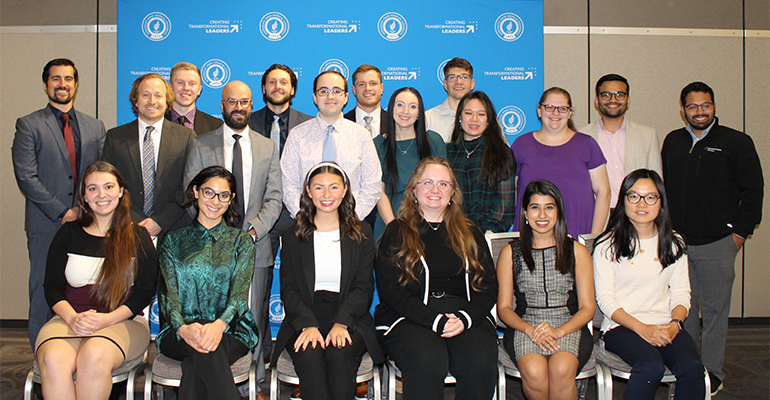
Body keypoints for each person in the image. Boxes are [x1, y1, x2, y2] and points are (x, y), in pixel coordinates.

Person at [661, 82, 764, 394]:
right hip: (679, 245)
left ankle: (713, 372)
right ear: (683, 109)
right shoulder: (673, 141)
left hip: (718, 243)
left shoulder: (736, 142)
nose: (700, 112)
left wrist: (738, 235)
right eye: (693, 106)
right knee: (684, 310)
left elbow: (754, 191)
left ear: (714, 106)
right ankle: (690, 367)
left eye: (705, 105)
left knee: (716, 312)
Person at [184, 80, 282, 395]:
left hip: (255, 245)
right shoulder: (201, 144)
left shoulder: (267, 146)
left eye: (244, 101)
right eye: (231, 101)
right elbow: (191, 193)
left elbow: (274, 197)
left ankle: (252, 385)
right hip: (209, 249)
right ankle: (219, 383)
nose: (238, 107)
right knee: (211, 316)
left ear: (252, 105)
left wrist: (253, 231)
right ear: (222, 105)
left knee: (252, 317)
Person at [375, 157, 498, 400]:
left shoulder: (471, 232)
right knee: (428, 359)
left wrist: (465, 318)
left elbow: (489, 285)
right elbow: (390, 290)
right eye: (427, 182)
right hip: (410, 316)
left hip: (463, 315)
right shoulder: (396, 231)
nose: (435, 190)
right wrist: (434, 321)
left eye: (443, 184)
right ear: (414, 190)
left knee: (479, 359)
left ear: (452, 193)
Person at [36, 161, 157, 400]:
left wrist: (106, 320)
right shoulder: (67, 233)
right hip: (69, 319)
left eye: (108, 187)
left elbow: (144, 292)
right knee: (52, 358)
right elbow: (52, 287)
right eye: (93, 189)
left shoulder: (138, 235)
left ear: (120, 191)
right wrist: (73, 318)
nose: (101, 195)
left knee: (93, 356)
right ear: (84, 196)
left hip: (122, 321)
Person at [12, 58, 106, 348]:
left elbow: (100, 174)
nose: (62, 84)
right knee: (43, 290)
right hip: (46, 224)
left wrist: (85, 211)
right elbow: (26, 176)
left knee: (85, 291)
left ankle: (80, 354)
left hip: (88, 224)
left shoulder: (95, 126)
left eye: (68, 79)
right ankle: (40, 359)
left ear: (76, 85)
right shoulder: (29, 125)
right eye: (56, 79)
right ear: (45, 84)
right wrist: (63, 211)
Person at [274, 162, 384, 400]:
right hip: (304, 314)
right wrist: (307, 325)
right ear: (308, 191)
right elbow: (289, 289)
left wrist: (342, 322)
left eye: (334, 187)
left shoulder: (362, 233)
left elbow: (363, 287)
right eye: (319, 187)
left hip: (349, 315)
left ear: (345, 190)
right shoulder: (292, 236)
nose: (326, 195)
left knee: (339, 353)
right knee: (310, 355)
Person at [594, 169, 705, 400]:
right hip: (621, 327)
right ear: (623, 200)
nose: (641, 203)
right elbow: (605, 300)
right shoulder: (607, 245)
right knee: (650, 367)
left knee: (692, 367)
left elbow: (682, 293)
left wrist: (676, 324)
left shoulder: (674, 243)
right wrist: (642, 329)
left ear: (660, 202)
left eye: (650, 197)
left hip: (666, 324)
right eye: (634, 196)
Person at [157, 166, 259, 400]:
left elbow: (238, 297)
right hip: (178, 332)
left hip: (232, 331)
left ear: (231, 199)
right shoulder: (172, 240)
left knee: (199, 362)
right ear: (195, 192)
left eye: (223, 195)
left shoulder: (241, 241)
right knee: (207, 350)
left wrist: (218, 326)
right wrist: (184, 329)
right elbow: (168, 298)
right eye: (208, 192)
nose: (215, 201)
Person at [496, 180, 594, 400]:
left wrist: (559, 331)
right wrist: (530, 330)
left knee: (561, 369)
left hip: (569, 325)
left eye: (549, 207)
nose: (542, 215)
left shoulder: (577, 251)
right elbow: (504, 309)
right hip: (525, 325)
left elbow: (588, 308)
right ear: (525, 212)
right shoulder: (510, 253)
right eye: (535, 207)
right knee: (534, 371)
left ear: (558, 212)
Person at [102, 73, 196, 238]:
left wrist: (160, 221)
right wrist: (136, 220)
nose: (152, 101)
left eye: (158, 95)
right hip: (127, 227)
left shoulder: (186, 137)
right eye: (145, 95)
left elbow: (189, 186)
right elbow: (108, 184)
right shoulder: (115, 137)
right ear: (135, 100)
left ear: (167, 101)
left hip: (173, 230)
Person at [281, 70, 381, 221]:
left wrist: (352, 218)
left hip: (351, 223)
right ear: (315, 97)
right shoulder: (297, 135)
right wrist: (305, 218)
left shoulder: (361, 135)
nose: (330, 96)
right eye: (323, 91)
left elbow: (372, 184)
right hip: (307, 223)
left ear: (346, 97)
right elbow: (288, 184)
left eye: (336, 91)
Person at [511, 87, 611, 238]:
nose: (556, 113)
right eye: (549, 107)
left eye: (562, 108)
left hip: (577, 237)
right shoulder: (521, 145)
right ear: (539, 110)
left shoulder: (587, 144)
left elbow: (604, 192)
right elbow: (512, 193)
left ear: (570, 113)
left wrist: (593, 237)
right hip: (531, 238)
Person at [373, 87, 446, 240]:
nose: (405, 111)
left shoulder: (434, 141)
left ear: (419, 112)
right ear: (391, 109)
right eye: (400, 105)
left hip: (427, 224)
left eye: (413, 106)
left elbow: (443, 188)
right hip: (388, 223)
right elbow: (379, 192)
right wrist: (394, 227)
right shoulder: (377, 145)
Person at [579, 74, 662, 208]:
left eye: (619, 95)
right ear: (597, 101)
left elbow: (657, 183)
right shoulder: (581, 136)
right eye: (606, 95)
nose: (613, 100)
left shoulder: (648, 135)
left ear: (628, 100)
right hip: (597, 213)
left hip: (636, 212)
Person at [447, 91, 516, 233]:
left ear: (489, 119)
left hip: (487, 234)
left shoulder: (501, 153)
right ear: (459, 117)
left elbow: (505, 205)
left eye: (481, 114)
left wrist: (489, 233)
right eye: (468, 113)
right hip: (451, 232)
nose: (474, 119)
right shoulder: (447, 152)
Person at [425, 57, 475, 142]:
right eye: (453, 77)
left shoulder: (485, 119)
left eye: (464, 77)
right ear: (445, 84)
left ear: (472, 84)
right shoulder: (428, 119)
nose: (459, 82)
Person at [165, 62, 223, 135]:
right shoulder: (157, 122)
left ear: (199, 90)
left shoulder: (216, 127)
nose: (186, 88)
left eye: (192, 84)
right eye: (180, 83)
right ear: (170, 87)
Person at [344, 64, 390, 139]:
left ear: (381, 88)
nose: (368, 88)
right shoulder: (342, 123)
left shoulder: (395, 123)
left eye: (373, 83)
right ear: (354, 90)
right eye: (362, 84)